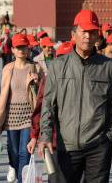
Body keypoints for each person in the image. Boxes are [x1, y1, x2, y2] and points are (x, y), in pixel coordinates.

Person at [39, 10, 112, 183]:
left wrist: (109, 136)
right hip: (66, 147)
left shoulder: (109, 67)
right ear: (73, 34)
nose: (88, 36)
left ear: (97, 36)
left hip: (98, 147)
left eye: (92, 32)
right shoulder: (58, 66)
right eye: (83, 31)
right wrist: (46, 136)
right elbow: (48, 105)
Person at [0, 33, 41, 183]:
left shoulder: (35, 68)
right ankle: (12, 166)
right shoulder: (8, 69)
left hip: (28, 117)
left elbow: (42, 94)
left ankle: (22, 180)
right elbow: (1, 92)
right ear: (12, 49)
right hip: (11, 117)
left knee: (24, 153)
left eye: (23, 47)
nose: (21, 50)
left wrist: (37, 82)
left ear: (28, 49)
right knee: (13, 151)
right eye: (18, 47)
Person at [27, 42, 72, 183]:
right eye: (60, 58)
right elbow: (40, 108)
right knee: (56, 176)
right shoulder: (49, 79)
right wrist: (34, 136)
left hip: (79, 141)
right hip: (54, 139)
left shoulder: (81, 80)